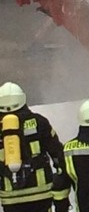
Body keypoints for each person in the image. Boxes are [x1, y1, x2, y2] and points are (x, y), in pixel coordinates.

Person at [0, 81, 64, 212]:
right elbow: (58, 153)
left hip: (11, 198)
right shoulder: (39, 122)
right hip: (41, 194)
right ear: (22, 99)